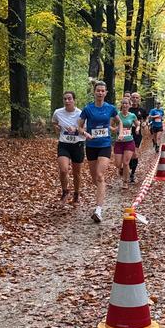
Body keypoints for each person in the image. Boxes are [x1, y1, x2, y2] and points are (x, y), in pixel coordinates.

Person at [78, 81, 120, 223]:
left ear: (106, 93)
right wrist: (85, 133)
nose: (100, 93)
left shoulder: (111, 108)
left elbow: (118, 121)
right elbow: (79, 126)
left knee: (100, 175)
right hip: (91, 145)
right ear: (94, 92)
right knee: (94, 178)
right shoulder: (88, 108)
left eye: (103, 91)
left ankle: (98, 209)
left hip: (105, 145)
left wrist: (118, 131)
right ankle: (101, 191)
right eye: (98, 91)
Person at [52, 91, 84, 204]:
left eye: (69, 99)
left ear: (74, 100)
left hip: (78, 145)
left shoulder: (80, 113)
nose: (67, 101)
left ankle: (76, 193)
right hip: (64, 144)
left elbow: (85, 129)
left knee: (76, 173)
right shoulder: (58, 112)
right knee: (63, 169)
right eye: (65, 99)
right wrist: (57, 127)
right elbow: (54, 122)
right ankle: (65, 191)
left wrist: (76, 129)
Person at [113, 97, 139, 188]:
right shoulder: (117, 115)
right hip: (119, 142)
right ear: (121, 105)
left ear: (129, 105)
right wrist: (115, 129)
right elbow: (109, 125)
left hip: (129, 141)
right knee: (118, 164)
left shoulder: (132, 115)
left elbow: (137, 124)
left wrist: (137, 129)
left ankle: (125, 181)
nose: (124, 105)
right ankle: (121, 170)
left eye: (126, 103)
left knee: (126, 162)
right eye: (123, 103)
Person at [128, 92, 146, 182]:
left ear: (139, 99)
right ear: (130, 98)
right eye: (133, 97)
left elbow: (145, 119)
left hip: (137, 134)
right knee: (128, 153)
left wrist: (144, 123)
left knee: (134, 154)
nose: (135, 99)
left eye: (137, 97)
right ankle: (129, 167)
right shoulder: (127, 108)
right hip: (127, 134)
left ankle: (132, 174)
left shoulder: (142, 110)